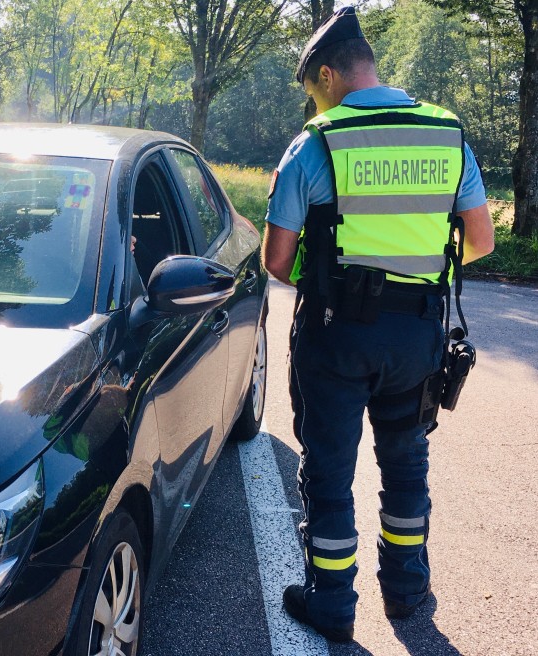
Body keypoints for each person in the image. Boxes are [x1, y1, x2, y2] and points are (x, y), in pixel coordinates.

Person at [261, 6, 495, 643]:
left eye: (313, 92)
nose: (313, 105)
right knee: (406, 463)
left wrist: (329, 276)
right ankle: (406, 591)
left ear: (329, 74)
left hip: (336, 335)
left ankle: (333, 602)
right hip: (418, 335)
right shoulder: (447, 134)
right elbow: (480, 240)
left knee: (329, 471)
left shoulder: (316, 142)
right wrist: (416, 270)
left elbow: (277, 260)